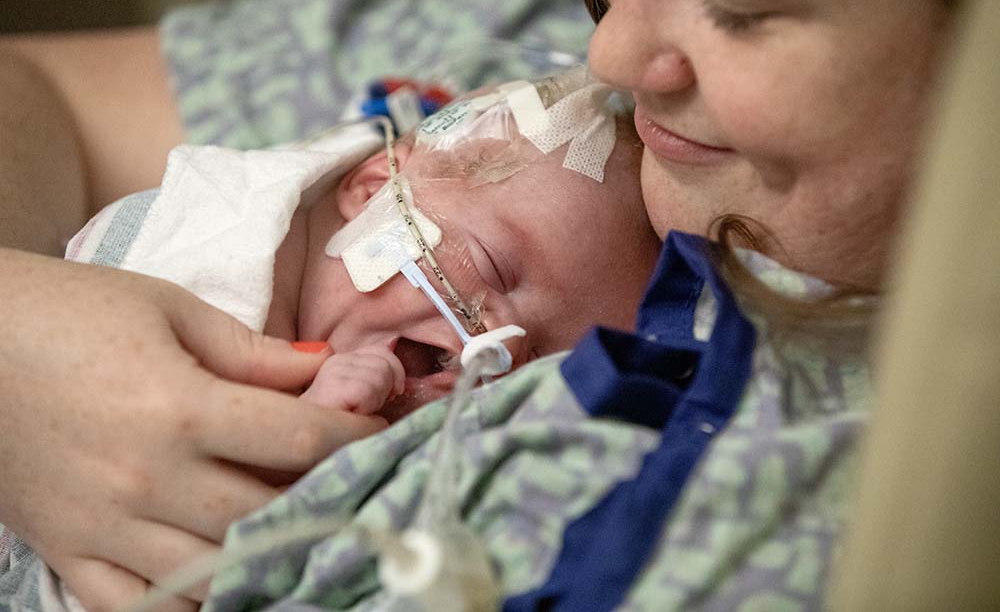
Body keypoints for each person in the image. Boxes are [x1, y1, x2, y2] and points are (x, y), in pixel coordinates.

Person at [0, 0, 977, 609]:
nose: (612, 50)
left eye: (739, 5)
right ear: (372, 184)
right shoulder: (491, 74)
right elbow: (33, 92)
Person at [65, 72, 659, 424]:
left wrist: (320, 441)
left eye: (544, 359)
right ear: (376, 191)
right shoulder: (195, 243)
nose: (502, 343)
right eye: (492, 265)